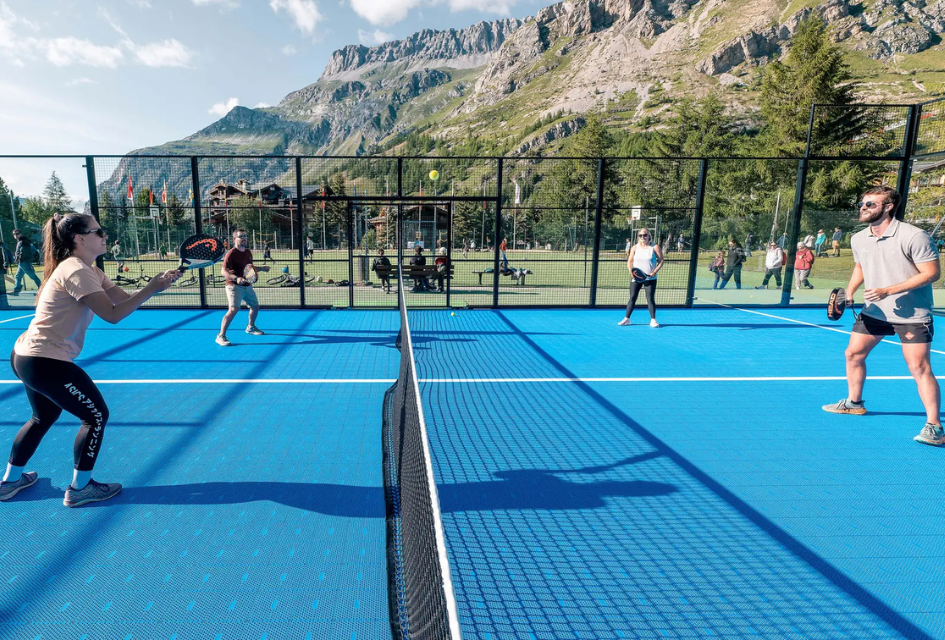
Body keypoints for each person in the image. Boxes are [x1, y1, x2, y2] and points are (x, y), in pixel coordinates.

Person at [0, 213, 179, 506]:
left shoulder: (89, 269)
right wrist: (151, 289)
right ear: (80, 239)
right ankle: (80, 488)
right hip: (44, 361)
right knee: (95, 416)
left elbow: (122, 300)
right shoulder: (76, 271)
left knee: (42, 417)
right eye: (99, 231)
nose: (104, 235)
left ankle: (9, 482)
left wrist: (156, 285)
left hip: (28, 356)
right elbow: (112, 315)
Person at [822, 185, 944, 446]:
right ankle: (854, 403)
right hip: (875, 311)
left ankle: (935, 426)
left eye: (870, 204)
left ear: (888, 207)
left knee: (919, 367)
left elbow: (932, 273)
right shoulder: (858, 238)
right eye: (862, 203)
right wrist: (850, 291)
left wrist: (889, 290)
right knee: (853, 354)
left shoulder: (915, 236)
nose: (863, 208)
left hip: (912, 314)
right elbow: (860, 266)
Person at [216, 228, 270, 347]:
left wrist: (261, 268)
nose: (244, 238)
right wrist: (236, 278)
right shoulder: (231, 253)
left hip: (247, 285)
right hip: (234, 286)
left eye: (245, 236)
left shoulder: (248, 252)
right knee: (233, 309)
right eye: (241, 236)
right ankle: (221, 336)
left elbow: (249, 268)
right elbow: (223, 271)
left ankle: (250, 327)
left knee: (255, 306)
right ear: (234, 239)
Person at [618, 227, 663, 328]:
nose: (643, 237)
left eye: (645, 235)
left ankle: (653, 320)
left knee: (650, 299)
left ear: (649, 236)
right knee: (632, 298)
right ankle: (627, 319)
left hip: (650, 278)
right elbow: (630, 261)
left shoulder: (654, 247)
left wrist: (655, 271)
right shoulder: (635, 247)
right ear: (638, 237)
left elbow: (661, 261)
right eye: (640, 235)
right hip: (636, 278)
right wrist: (631, 270)